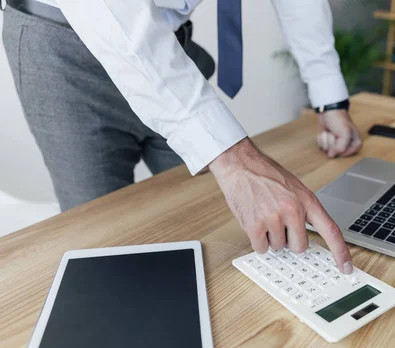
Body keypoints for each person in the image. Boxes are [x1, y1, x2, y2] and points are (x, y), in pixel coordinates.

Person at [2, 0, 362, 274]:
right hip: (63, 47)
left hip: (170, 46)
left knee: (212, 233)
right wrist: (235, 159)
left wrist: (328, 95)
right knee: (101, 245)